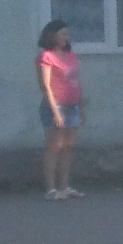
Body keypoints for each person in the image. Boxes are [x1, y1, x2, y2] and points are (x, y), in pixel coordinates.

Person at [36, 20, 85, 199]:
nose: (66, 37)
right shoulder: (46, 56)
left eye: (67, 34)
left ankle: (64, 187)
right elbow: (45, 86)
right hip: (55, 106)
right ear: (52, 35)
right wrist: (55, 112)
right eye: (63, 34)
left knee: (68, 147)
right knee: (54, 147)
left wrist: (81, 105)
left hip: (72, 105)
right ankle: (51, 190)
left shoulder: (70, 54)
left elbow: (76, 80)